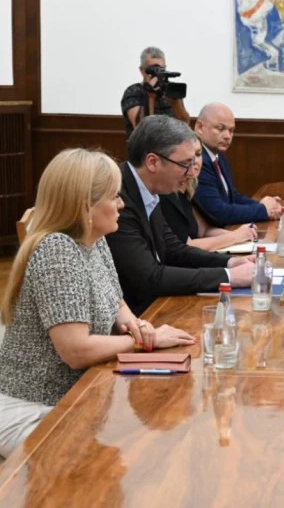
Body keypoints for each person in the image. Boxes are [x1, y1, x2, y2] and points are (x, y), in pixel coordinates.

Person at [0, 149, 195, 461]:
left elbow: (116, 300)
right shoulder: (57, 251)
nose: (122, 204)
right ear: (85, 205)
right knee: (130, 456)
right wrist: (144, 341)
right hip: (34, 407)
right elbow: (76, 351)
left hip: (74, 396)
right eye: (114, 196)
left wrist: (138, 326)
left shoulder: (95, 239)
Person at [105, 115, 255, 316]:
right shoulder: (118, 198)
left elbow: (174, 250)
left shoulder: (150, 188)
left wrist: (229, 263)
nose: (192, 173)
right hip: (135, 316)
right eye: (185, 164)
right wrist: (229, 276)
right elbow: (150, 277)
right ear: (153, 162)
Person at [159, 138, 259, 250]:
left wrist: (243, 234)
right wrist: (235, 236)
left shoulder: (190, 186)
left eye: (198, 154)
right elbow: (186, 246)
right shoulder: (166, 192)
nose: (195, 162)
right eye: (188, 158)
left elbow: (204, 231)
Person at [192, 103, 282, 226]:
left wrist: (264, 206)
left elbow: (232, 196)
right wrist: (263, 209)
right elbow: (219, 212)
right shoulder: (198, 161)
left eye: (231, 130)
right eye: (220, 128)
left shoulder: (217, 155)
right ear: (200, 127)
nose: (227, 136)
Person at [121, 47, 190, 136]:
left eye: (161, 69)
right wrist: (150, 96)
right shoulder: (133, 92)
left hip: (171, 142)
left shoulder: (169, 90)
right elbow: (140, 128)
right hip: (146, 143)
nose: (158, 73)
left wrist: (175, 102)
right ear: (142, 70)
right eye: (153, 69)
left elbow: (184, 124)